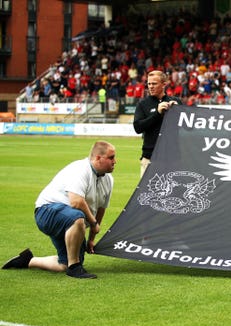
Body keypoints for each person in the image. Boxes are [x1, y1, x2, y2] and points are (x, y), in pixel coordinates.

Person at [2, 141, 117, 279]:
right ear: (98, 157)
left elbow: (101, 209)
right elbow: (76, 201)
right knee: (77, 217)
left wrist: (92, 238)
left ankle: (28, 260)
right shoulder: (80, 169)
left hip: (68, 218)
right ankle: (74, 268)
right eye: (111, 157)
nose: (115, 161)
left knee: (64, 264)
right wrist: (92, 223)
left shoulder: (109, 179)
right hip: (46, 212)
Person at [133, 70, 182, 178]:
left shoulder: (175, 102)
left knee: (173, 193)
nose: (150, 86)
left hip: (172, 159)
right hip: (149, 158)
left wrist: (178, 111)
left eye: (154, 83)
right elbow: (138, 127)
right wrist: (157, 113)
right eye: (149, 84)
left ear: (164, 84)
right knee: (146, 194)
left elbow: (188, 127)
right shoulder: (143, 104)